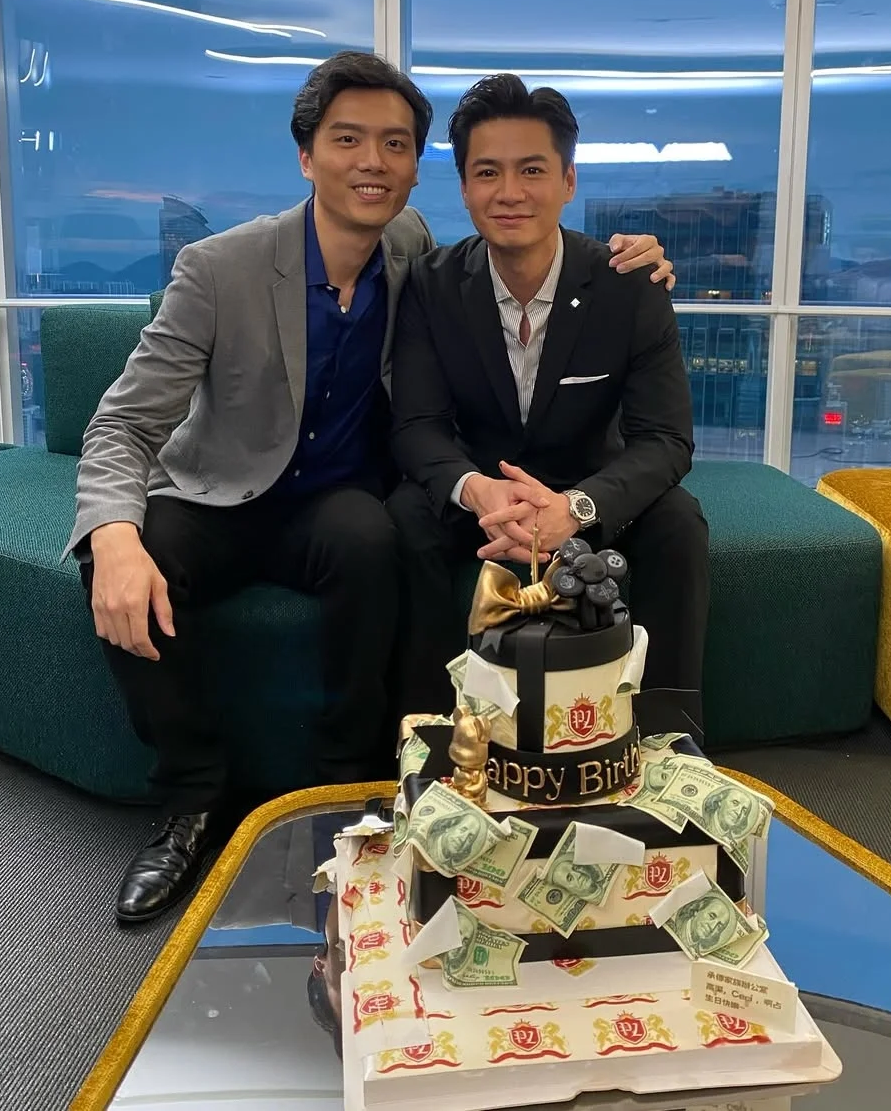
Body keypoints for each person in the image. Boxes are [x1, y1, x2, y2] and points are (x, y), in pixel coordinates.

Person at [65, 53, 673, 926]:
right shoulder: (219, 268)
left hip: (332, 499)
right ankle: (190, 797)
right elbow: (122, 424)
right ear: (306, 155)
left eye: (395, 145)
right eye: (347, 140)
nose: (372, 162)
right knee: (123, 559)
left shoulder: (408, 249)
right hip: (216, 494)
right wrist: (114, 535)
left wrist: (636, 256)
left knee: (375, 536)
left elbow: (515, 256)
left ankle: (342, 791)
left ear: (416, 168)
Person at [388, 74, 709, 727]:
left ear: (568, 181)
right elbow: (418, 426)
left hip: (589, 486)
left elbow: (666, 440)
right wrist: (478, 491)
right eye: (487, 173)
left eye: (531, 170)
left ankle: (669, 735)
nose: (509, 192)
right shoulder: (432, 284)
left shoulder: (629, 285)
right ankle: (426, 733)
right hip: (484, 493)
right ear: (465, 188)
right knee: (403, 517)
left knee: (678, 521)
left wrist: (576, 508)